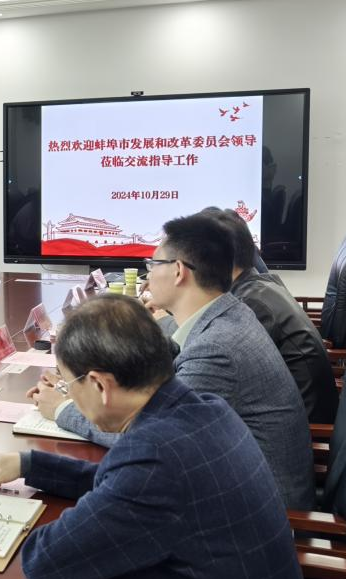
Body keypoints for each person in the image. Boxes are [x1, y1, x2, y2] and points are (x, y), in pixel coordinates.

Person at [0, 296, 330, 579]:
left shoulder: (155, 460)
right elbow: (127, 485)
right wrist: (31, 466)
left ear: (100, 385)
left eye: (68, 384)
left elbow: (46, 563)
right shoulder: (202, 410)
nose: (68, 394)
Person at [50, 212, 315, 510]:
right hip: (233, 482)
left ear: (178, 271)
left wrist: (61, 408)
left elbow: (148, 437)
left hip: (259, 507)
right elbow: (163, 342)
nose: (147, 276)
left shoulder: (216, 350)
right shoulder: (227, 312)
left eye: (152, 265)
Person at [209, 207, 339, 423]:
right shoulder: (260, 287)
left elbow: (218, 374)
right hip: (294, 413)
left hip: (302, 427)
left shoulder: (251, 305)